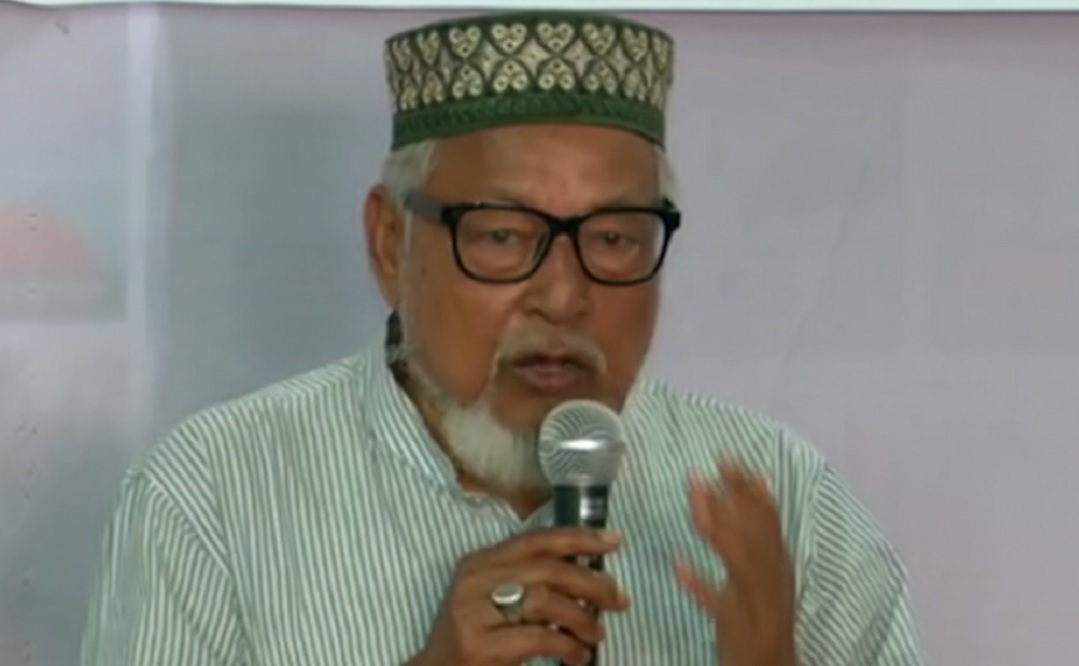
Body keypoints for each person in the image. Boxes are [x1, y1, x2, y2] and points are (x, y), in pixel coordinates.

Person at [80, 10, 926, 666]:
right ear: (389, 244)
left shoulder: (788, 502)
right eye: (502, 236)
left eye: (615, 238)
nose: (564, 296)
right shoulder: (210, 499)